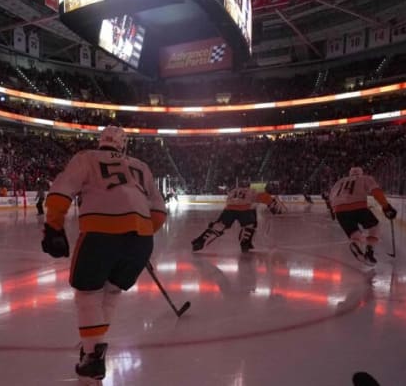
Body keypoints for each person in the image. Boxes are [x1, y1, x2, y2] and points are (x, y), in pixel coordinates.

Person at [40, 126, 167, 382]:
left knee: (87, 294)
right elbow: (159, 212)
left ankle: (93, 356)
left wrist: (53, 225)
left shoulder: (87, 157)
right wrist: (139, 235)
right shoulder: (141, 166)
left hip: (101, 234)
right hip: (141, 240)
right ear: (124, 145)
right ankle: (93, 349)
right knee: (111, 291)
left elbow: (60, 192)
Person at [328, 167, 396, 265]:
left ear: (350, 173)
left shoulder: (340, 182)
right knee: (375, 227)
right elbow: (376, 191)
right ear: (361, 172)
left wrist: (332, 211)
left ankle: (356, 243)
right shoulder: (365, 178)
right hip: (358, 207)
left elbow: (331, 197)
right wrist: (386, 206)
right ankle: (369, 251)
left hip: (339, 210)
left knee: (354, 234)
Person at [191, 181, 282, 253]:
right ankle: (245, 243)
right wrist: (275, 208)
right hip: (244, 210)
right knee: (250, 225)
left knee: (219, 226)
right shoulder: (251, 191)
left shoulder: (233, 190)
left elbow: (229, 199)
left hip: (229, 210)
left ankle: (199, 241)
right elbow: (264, 198)